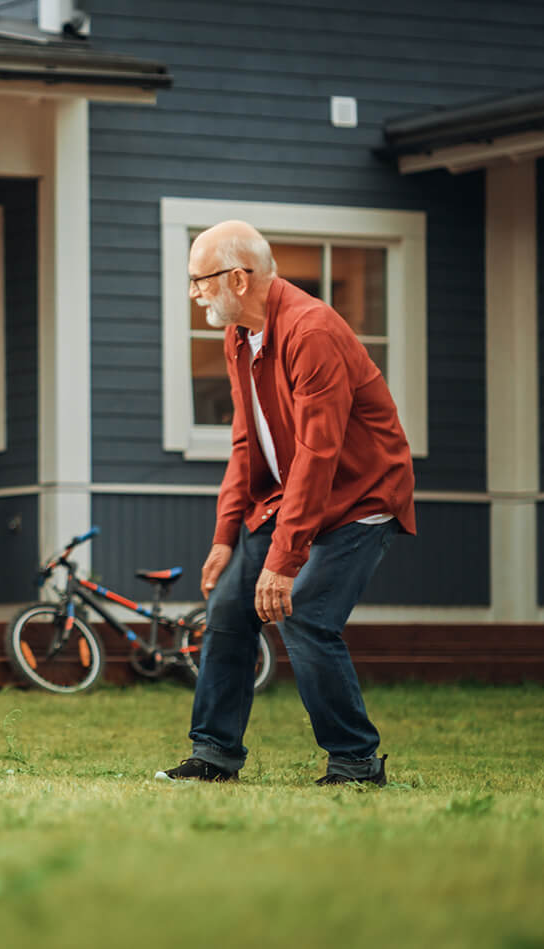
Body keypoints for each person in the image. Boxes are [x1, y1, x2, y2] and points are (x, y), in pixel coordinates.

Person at [157, 221, 415, 786]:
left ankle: (355, 762)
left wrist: (282, 561)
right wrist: (226, 537)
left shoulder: (311, 331)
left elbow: (319, 454)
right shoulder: (239, 337)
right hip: (291, 497)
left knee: (305, 615)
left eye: (199, 281)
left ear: (240, 279)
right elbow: (247, 442)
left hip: (358, 498)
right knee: (228, 610)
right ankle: (214, 756)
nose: (193, 294)